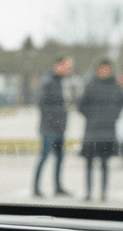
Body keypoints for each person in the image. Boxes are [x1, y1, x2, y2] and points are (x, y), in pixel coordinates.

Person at [77, 59, 123, 202]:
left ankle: (103, 192)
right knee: (89, 162)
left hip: (108, 130)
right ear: (97, 69)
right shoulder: (90, 84)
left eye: (107, 68)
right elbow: (80, 104)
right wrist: (92, 116)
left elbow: (121, 103)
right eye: (102, 68)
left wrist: (113, 115)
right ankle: (89, 192)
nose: (105, 71)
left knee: (105, 163)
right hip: (92, 130)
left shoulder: (116, 86)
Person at [34, 56, 72, 197]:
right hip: (49, 128)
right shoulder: (48, 81)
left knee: (60, 158)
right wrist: (55, 118)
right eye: (66, 65)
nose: (68, 68)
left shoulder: (61, 81)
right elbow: (41, 103)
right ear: (58, 65)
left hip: (59, 128)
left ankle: (58, 187)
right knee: (44, 157)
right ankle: (36, 188)